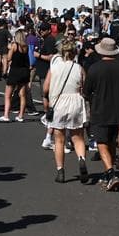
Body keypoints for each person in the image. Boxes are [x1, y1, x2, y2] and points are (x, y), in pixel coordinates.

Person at [83, 37, 119, 191]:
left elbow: (86, 91)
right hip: (117, 109)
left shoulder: (94, 68)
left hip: (99, 109)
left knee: (101, 142)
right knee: (111, 141)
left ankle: (110, 172)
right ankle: (109, 172)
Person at [45, 40, 89, 184]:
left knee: (59, 139)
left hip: (59, 103)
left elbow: (45, 88)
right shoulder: (78, 68)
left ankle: (60, 170)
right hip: (75, 102)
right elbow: (84, 86)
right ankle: (81, 159)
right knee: (78, 137)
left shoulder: (54, 68)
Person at [0, 29, 32, 122]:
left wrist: (9, 49)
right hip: (24, 71)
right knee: (22, 95)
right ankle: (21, 116)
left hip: (15, 71)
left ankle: (6, 115)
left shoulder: (14, 46)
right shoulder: (26, 47)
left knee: (8, 95)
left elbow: (8, 58)